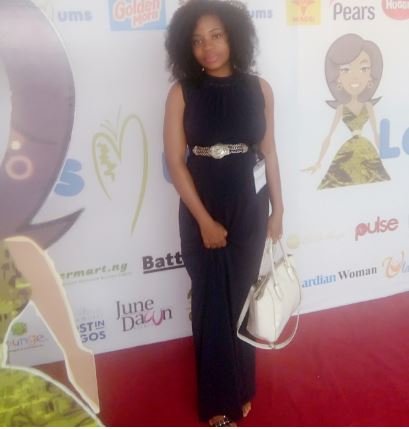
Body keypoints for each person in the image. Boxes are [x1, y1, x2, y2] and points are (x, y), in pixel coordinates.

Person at [163, 0, 283, 425]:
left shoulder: (260, 89)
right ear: (186, 46)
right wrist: (203, 220)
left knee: (241, 302)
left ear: (234, 37)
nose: (207, 47)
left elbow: (269, 153)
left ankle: (241, 385)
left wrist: (278, 210)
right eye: (197, 40)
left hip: (249, 207)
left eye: (216, 35)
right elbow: (175, 162)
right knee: (211, 304)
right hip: (203, 208)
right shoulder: (182, 92)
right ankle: (218, 404)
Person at [303, 33, 390, 188]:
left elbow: (376, 133)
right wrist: (318, 162)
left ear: (370, 75)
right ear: (338, 78)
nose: (355, 77)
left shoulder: (368, 106)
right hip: (347, 154)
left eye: (363, 69)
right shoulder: (341, 108)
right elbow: (329, 137)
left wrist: (386, 156)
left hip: (367, 152)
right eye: (346, 70)